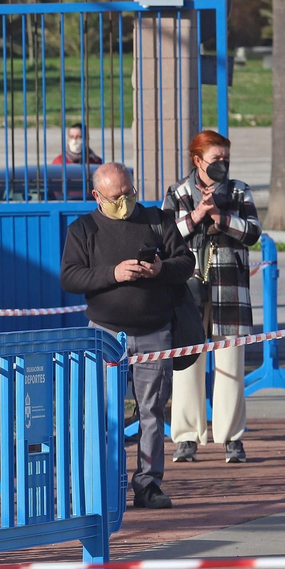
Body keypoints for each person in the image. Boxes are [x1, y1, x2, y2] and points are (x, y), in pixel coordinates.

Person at [62, 163, 195, 509]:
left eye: (129, 193)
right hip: (105, 334)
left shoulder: (157, 220)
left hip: (155, 331)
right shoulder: (83, 229)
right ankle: (109, 483)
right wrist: (114, 273)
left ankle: (148, 484)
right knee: (106, 413)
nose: (124, 200)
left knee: (151, 410)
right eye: (115, 197)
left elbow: (187, 263)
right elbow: (71, 278)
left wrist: (160, 269)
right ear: (96, 196)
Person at [164, 130, 261, 465]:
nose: (222, 164)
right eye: (215, 159)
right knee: (187, 363)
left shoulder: (239, 190)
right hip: (188, 289)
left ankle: (231, 438)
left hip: (230, 288)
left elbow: (252, 232)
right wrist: (196, 216)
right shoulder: (178, 192)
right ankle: (187, 437)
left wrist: (222, 218)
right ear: (197, 160)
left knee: (231, 365)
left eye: (226, 159)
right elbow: (168, 236)